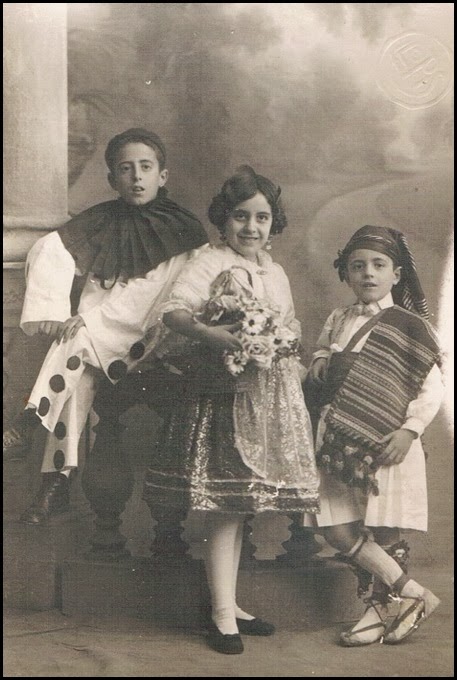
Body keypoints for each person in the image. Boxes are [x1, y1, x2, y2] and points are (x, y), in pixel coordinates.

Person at [142, 166, 319, 654]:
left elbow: (287, 324)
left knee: (244, 506)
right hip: (224, 393)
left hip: (268, 397)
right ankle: (221, 614)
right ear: (225, 220)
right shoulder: (209, 260)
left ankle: (230, 602)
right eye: (241, 217)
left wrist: (284, 344)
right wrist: (214, 335)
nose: (251, 228)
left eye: (261, 218)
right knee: (225, 503)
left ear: (272, 222)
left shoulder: (274, 271)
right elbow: (174, 313)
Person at [3, 128, 208, 524]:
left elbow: (157, 296)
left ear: (162, 176)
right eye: (125, 169)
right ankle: (56, 483)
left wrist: (89, 322)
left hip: (151, 335)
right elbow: (53, 251)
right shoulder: (100, 221)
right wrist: (66, 314)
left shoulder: (183, 229)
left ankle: (32, 431)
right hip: (99, 336)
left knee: (77, 343)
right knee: (76, 376)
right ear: (112, 179)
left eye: (145, 167)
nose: (136, 177)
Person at [304, 225, 444, 646]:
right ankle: (413, 594)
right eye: (357, 266)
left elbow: (431, 386)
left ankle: (377, 611)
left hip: (387, 442)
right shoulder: (338, 318)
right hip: (339, 440)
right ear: (346, 274)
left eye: (379, 265)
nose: (368, 273)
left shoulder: (410, 325)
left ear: (396, 275)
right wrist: (320, 358)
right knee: (336, 528)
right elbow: (326, 350)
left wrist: (409, 431)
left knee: (383, 529)